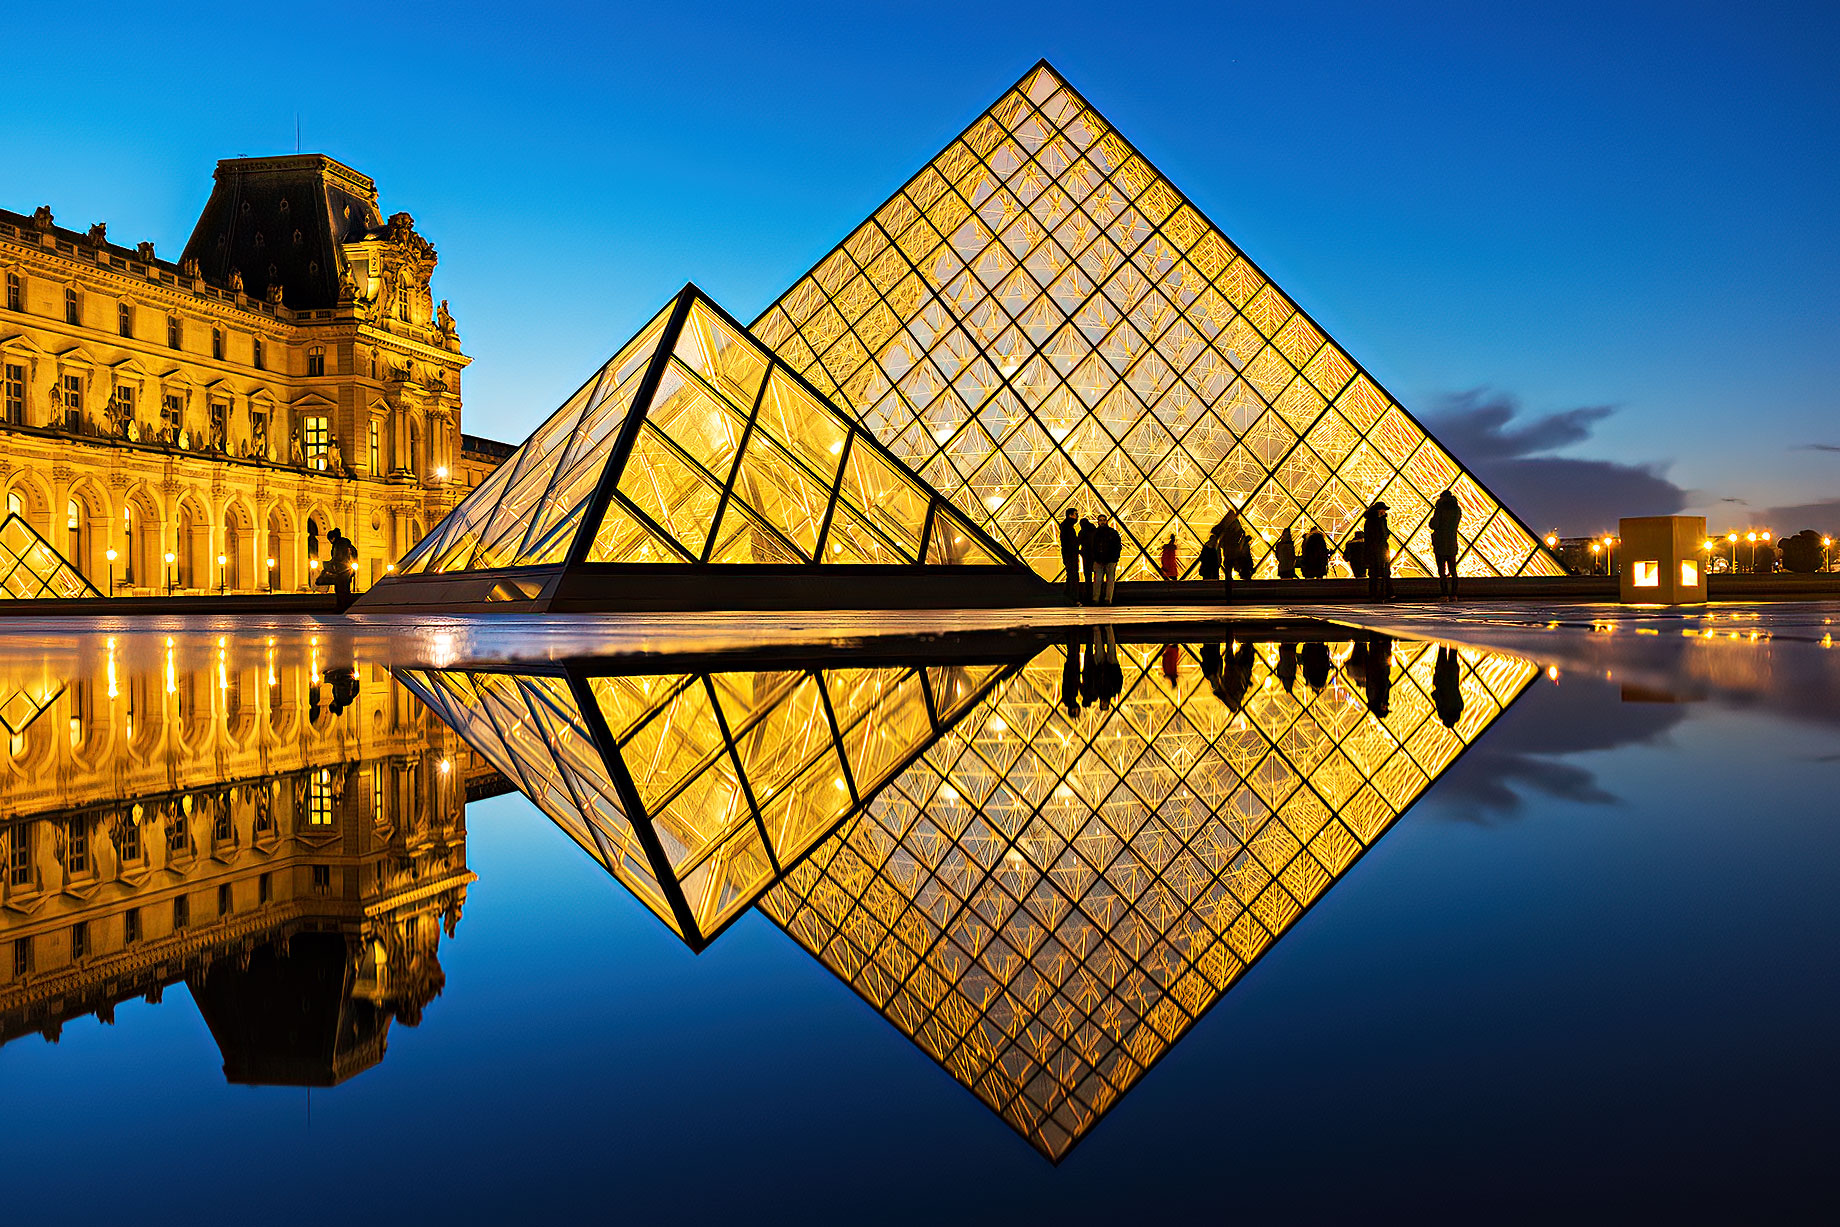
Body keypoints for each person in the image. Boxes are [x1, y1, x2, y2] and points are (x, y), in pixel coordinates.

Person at [1430, 490, 1462, 601]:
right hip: (1452, 543)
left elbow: (1434, 524)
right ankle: (1454, 594)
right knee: (1453, 570)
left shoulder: (1440, 508)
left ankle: (1444, 594)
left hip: (1440, 543)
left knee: (1442, 571)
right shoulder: (1457, 509)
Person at [1212, 509, 1248, 600]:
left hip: (1228, 556)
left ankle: (1229, 592)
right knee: (1237, 572)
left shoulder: (1226, 533)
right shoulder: (1236, 532)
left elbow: (1221, 545)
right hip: (1234, 555)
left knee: (1228, 575)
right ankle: (1239, 588)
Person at [321, 527, 359, 610]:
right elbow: (355, 553)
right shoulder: (347, 544)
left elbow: (337, 558)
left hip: (341, 570)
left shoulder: (339, 544)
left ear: (333, 538)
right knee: (346, 589)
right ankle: (346, 606)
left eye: (330, 540)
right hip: (349, 570)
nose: (330, 542)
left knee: (340, 589)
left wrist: (328, 565)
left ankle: (342, 606)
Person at [1363, 502, 1394, 601]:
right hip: (1378, 550)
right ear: (1378, 511)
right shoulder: (1378, 521)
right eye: (1383, 510)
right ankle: (1383, 593)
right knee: (1380, 573)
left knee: (1376, 573)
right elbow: (1383, 535)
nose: (1384, 512)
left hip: (1377, 550)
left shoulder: (1371, 521)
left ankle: (1377, 593)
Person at [1090, 514, 1122, 605]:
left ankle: (1106, 599)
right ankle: (1098, 598)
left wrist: (1115, 558)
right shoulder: (1097, 533)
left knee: (1106, 581)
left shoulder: (1111, 533)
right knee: (1099, 581)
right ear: (1098, 521)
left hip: (1110, 560)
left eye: (1104, 520)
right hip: (1099, 560)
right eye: (1101, 520)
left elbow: (1118, 546)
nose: (1102, 521)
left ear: (1106, 521)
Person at [1433, 645, 1464, 729]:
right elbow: (1437, 697)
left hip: (1452, 675)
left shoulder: (1459, 707)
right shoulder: (1443, 712)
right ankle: (1445, 635)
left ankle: (1454, 636)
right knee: (1442, 652)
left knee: (1453, 653)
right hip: (1442, 678)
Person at [1058, 508, 1083, 603]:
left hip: (1067, 554)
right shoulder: (1069, 528)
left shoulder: (1065, 527)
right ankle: (1073, 596)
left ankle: (1068, 595)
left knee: (1070, 575)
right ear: (1070, 515)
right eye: (1076, 514)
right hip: (1071, 554)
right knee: (1073, 575)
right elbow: (1072, 542)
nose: (1077, 516)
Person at [1076, 515, 1097, 603]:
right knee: (1097, 576)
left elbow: (1078, 543)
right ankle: (1096, 595)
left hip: (1086, 557)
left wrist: (1080, 552)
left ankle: (1088, 595)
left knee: (1087, 576)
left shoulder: (1082, 532)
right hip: (1096, 556)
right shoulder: (1095, 531)